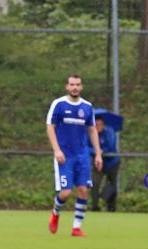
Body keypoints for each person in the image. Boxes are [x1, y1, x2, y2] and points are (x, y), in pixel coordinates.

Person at [47, 74, 102, 237]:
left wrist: (98, 153)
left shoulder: (87, 107)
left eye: (77, 84)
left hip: (82, 155)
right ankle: (55, 213)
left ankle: (76, 227)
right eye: (72, 84)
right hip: (65, 155)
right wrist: (56, 150)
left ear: (81, 87)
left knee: (83, 190)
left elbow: (92, 130)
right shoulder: (58, 105)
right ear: (67, 86)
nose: (75, 87)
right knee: (65, 192)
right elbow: (50, 127)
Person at [89, 115, 121, 212]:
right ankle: (95, 206)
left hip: (112, 162)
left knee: (112, 184)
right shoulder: (90, 133)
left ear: (103, 125)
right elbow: (86, 147)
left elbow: (111, 146)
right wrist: (97, 151)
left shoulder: (109, 132)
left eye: (100, 124)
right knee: (94, 183)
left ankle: (111, 207)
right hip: (98, 162)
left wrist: (103, 151)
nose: (98, 126)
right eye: (96, 124)